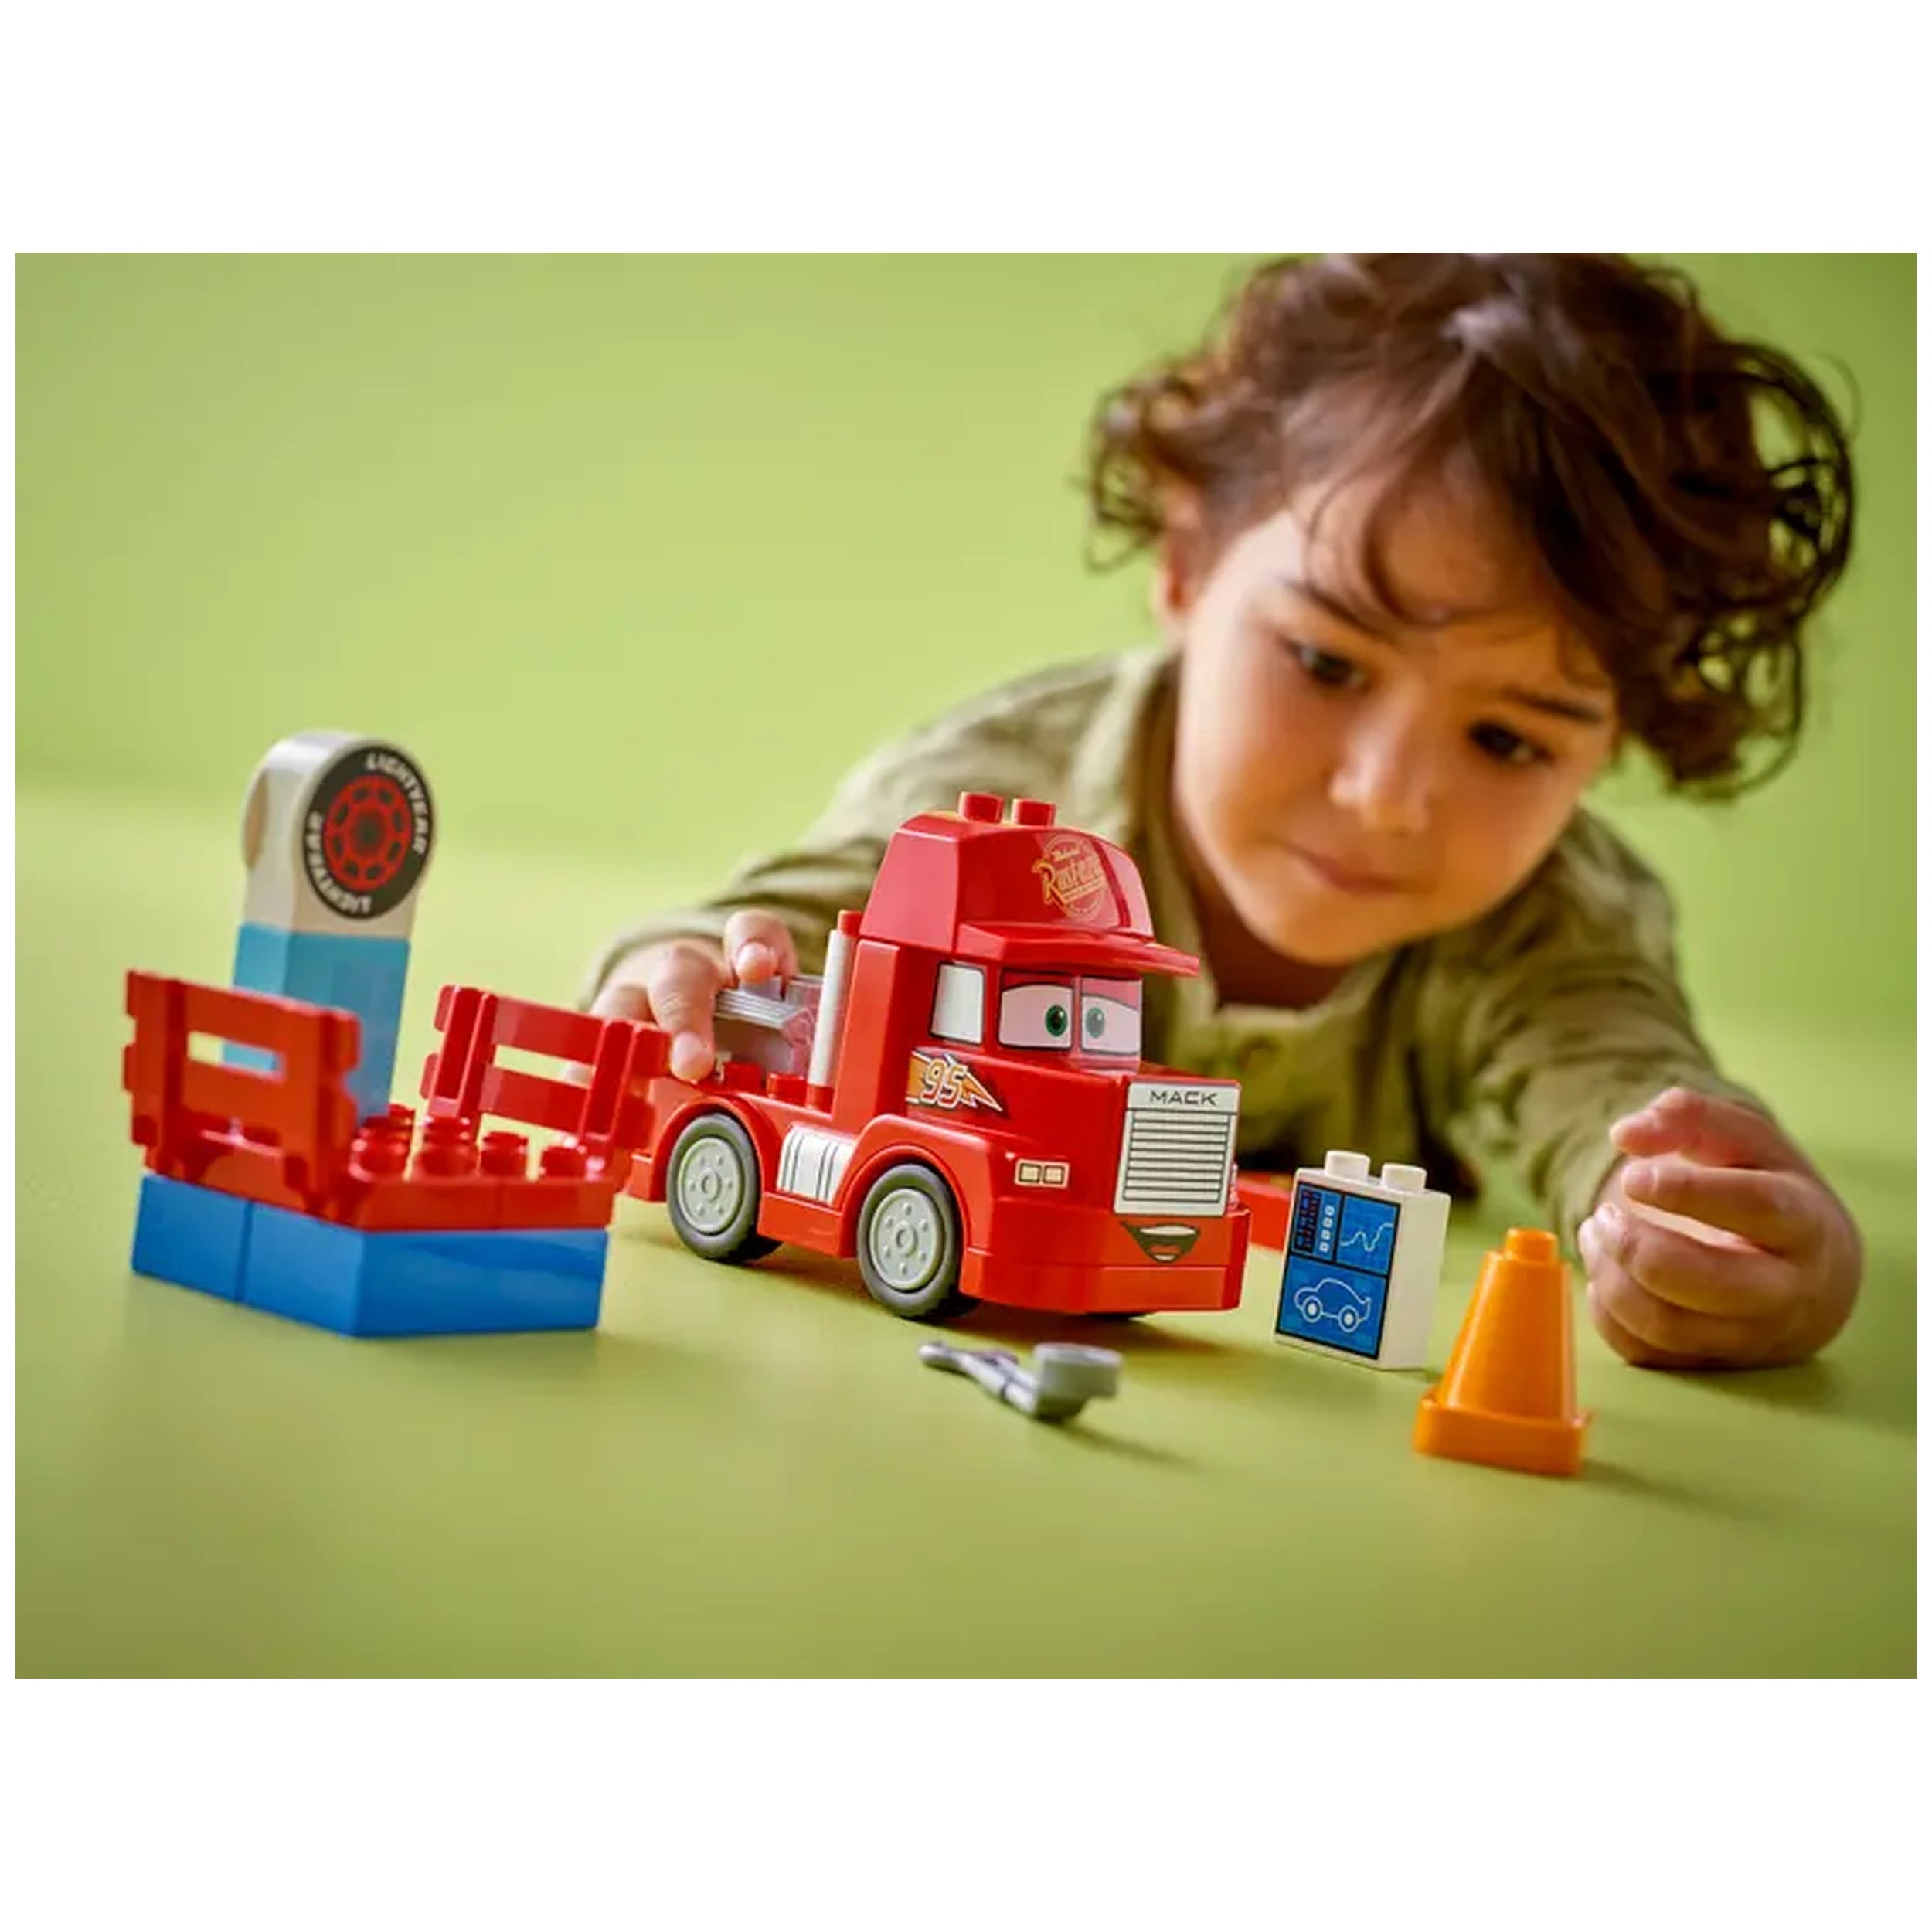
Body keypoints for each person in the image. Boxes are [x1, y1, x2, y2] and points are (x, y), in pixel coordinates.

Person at [583, 253, 1862, 1370]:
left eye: (1508, 739)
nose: (1385, 795)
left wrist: (1697, 1224)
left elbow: (1625, 1100)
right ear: (1187, 563)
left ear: (1614, 738)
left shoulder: (1550, 926)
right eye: (1326, 663)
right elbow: (792, 932)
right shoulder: (1004, 810)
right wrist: (682, 974)